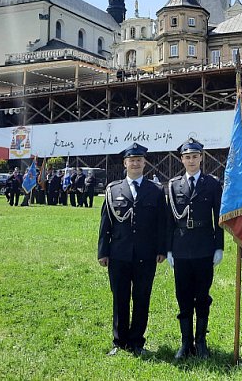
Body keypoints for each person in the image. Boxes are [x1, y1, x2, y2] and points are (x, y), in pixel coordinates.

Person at [98, 143, 167, 356]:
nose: (135, 163)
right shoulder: (113, 189)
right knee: (120, 298)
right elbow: (105, 223)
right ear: (125, 163)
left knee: (141, 297)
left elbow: (161, 223)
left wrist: (162, 249)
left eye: (139, 160)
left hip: (145, 255)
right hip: (118, 254)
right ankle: (119, 343)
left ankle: (137, 342)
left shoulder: (155, 190)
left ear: (144, 163)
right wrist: (103, 251)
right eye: (132, 160)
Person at [166, 138, 224, 360]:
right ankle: (185, 342)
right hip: (181, 247)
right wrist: (169, 249)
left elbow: (218, 217)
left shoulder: (212, 183)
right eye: (187, 157)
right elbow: (169, 220)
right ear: (182, 159)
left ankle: (200, 342)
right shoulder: (173, 185)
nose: (191, 160)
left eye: (194, 156)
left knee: (202, 296)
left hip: (204, 247)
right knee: (183, 297)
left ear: (201, 157)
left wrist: (219, 246)